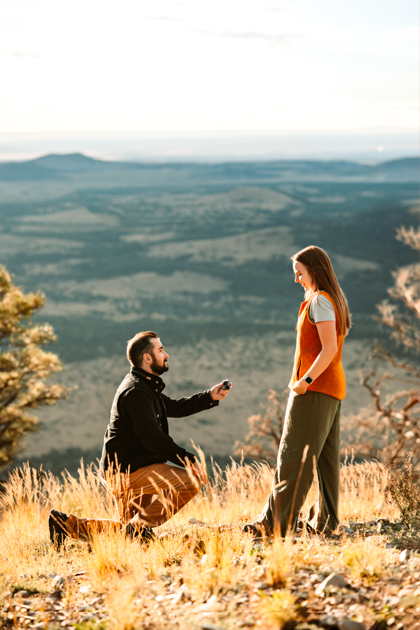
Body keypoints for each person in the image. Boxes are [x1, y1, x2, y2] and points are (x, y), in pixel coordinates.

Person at [49, 331, 231, 548]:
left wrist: (209, 396)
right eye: (161, 350)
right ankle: (137, 529)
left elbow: (172, 406)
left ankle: (65, 524)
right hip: (126, 472)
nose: (167, 355)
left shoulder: (145, 386)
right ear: (147, 358)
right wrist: (188, 460)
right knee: (189, 482)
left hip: (128, 469)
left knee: (127, 534)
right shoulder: (136, 391)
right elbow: (152, 437)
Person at [243, 246, 351, 537]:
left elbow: (328, 349)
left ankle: (275, 524)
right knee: (326, 461)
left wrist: (305, 381)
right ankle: (326, 523)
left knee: (293, 457)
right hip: (332, 389)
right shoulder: (332, 300)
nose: (296, 280)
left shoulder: (319, 302)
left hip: (315, 390)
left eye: (299, 273)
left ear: (314, 271)